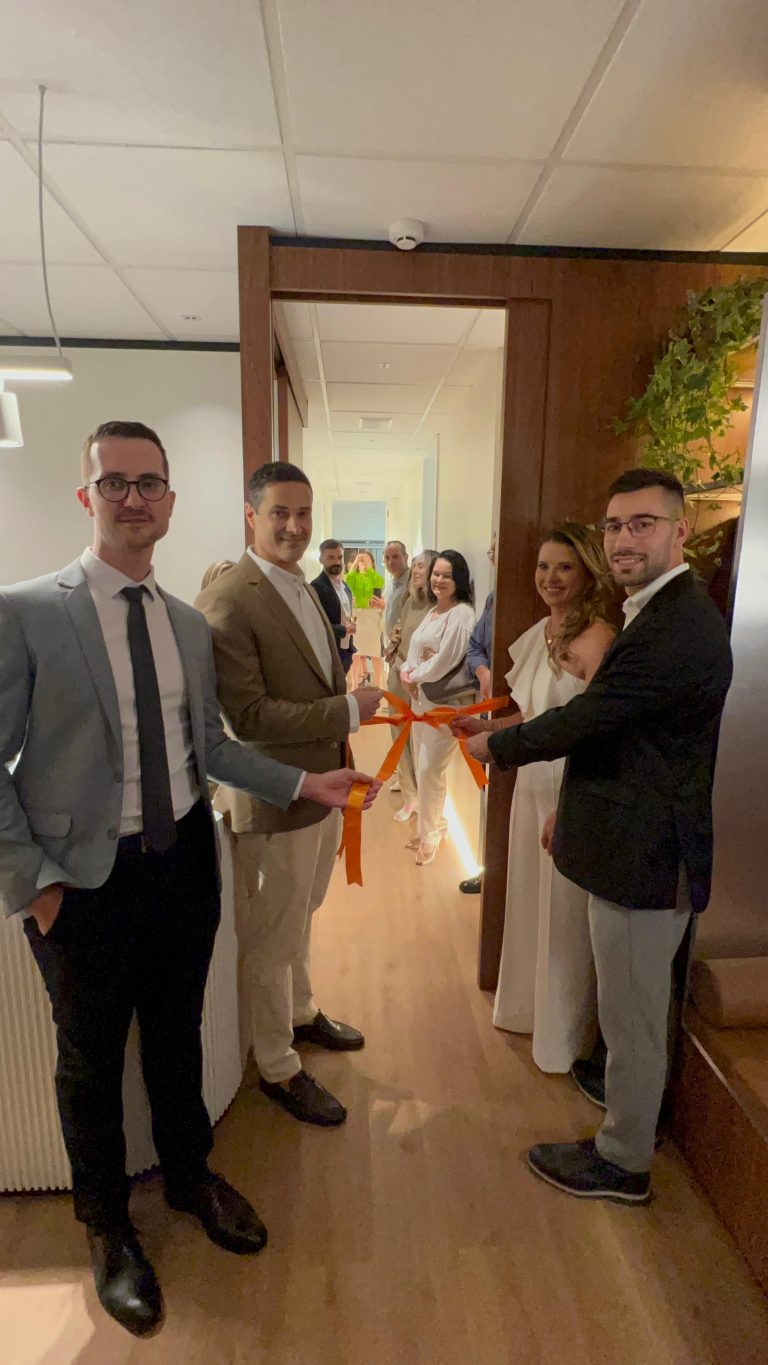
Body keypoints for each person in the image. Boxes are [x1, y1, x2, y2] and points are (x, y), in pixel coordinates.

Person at [0, 421, 378, 1338]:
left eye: (150, 483)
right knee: (91, 1062)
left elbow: (210, 745)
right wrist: (35, 885)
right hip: (81, 884)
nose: (134, 498)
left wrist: (303, 782)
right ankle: (107, 1229)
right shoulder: (27, 611)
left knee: (177, 1035)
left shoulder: (183, 622)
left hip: (181, 868)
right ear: (86, 496)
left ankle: (189, 1176)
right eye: (115, 482)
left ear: (171, 500)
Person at [465, 469, 733, 1205]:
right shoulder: (656, 611)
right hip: (628, 842)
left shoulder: (676, 624)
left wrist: (498, 746)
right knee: (628, 1008)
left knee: (632, 1015)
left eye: (643, 523)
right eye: (614, 525)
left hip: (648, 854)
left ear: (680, 531)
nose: (624, 538)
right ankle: (631, 1121)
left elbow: (592, 717)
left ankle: (623, 1161)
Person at [196, 463, 384, 1131]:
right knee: (271, 937)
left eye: (303, 512)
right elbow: (249, 717)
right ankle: (276, 1063)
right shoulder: (230, 599)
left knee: (303, 914)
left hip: (322, 788)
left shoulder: (301, 584)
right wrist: (349, 711)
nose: (295, 526)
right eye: (280, 512)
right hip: (273, 798)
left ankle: (302, 1014)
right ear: (252, 515)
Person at [455, 525, 615, 1073]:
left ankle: (564, 1036)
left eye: (564, 567)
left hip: (572, 785)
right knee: (528, 898)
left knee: (565, 915)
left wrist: (569, 806)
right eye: (544, 567)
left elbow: (596, 730)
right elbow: (534, 717)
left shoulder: (598, 638)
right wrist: (489, 728)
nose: (551, 578)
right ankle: (527, 1009)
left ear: (587, 572)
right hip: (530, 784)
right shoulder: (538, 633)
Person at [400, 551, 476, 866]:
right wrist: (406, 672)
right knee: (423, 766)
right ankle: (430, 827)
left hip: (443, 705)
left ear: (458, 580)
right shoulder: (433, 611)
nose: (439, 580)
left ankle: (430, 836)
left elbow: (446, 659)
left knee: (431, 769)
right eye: (436, 574)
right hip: (419, 700)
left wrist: (415, 674)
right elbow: (415, 651)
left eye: (447, 575)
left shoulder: (462, 614)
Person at [385, 548, 437, 823]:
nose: (416, 571)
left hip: (421, 683)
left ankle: (426, 798)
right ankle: (409, 796)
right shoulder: (409, 602)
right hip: (398, 676)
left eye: (422, 566)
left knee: (421, 740)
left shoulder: (439, 608)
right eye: (415, 566)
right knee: (399, 735)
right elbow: (399, 633)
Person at [460, 533, 496, 894]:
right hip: (489, 714)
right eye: (492, 550)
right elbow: (474, 647)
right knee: (489, 793)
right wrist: (483, 671)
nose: (494, 555)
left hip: (517, 718)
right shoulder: (493, 599)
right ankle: (488, 868)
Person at [311, 538, 357, 675]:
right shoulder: (316, 587)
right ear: (321, 559)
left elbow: (346, 616)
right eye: (331, 558)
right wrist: (343, 630)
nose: (337, 562)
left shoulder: (346, 587)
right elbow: (315, 624)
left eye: (340, 557)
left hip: (346, 650)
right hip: (328, 652)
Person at [346, 550, 385, 685]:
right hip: (357, 618)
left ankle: (380, 685)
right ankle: (354, 685)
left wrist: (369, 568)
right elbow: (347, 580)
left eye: (367, 560)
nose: (363, 563)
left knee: (375, 654)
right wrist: (355, 563)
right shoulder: (354, 577)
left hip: (371, 618)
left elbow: (379, 582)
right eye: (362, 561)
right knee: (356, 655)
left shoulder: (374, 577)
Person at [371, 539, 410, 654]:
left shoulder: (413, 584)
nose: (391, 562)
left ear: (406, 557)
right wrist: (382, 607)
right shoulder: (390, 584)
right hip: (390, 647)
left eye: (395, 556)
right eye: (387, 558)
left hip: (405, 649)